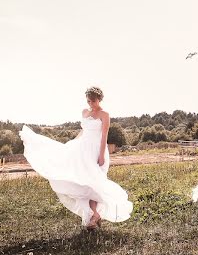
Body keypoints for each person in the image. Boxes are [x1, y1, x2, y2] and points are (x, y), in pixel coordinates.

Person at [19, 86, 133, 229]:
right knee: (83, 182)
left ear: (99, 99)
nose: (90, 104)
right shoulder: (84, 112)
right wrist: (71, 143)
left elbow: (104, 136)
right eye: (88, 101)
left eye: (92, 101)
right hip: (82, 149)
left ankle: (94, 216)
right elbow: (83, 132)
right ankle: (93, 216)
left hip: (96, 150)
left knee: (94, 183)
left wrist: (101, 155)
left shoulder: (104, 114)